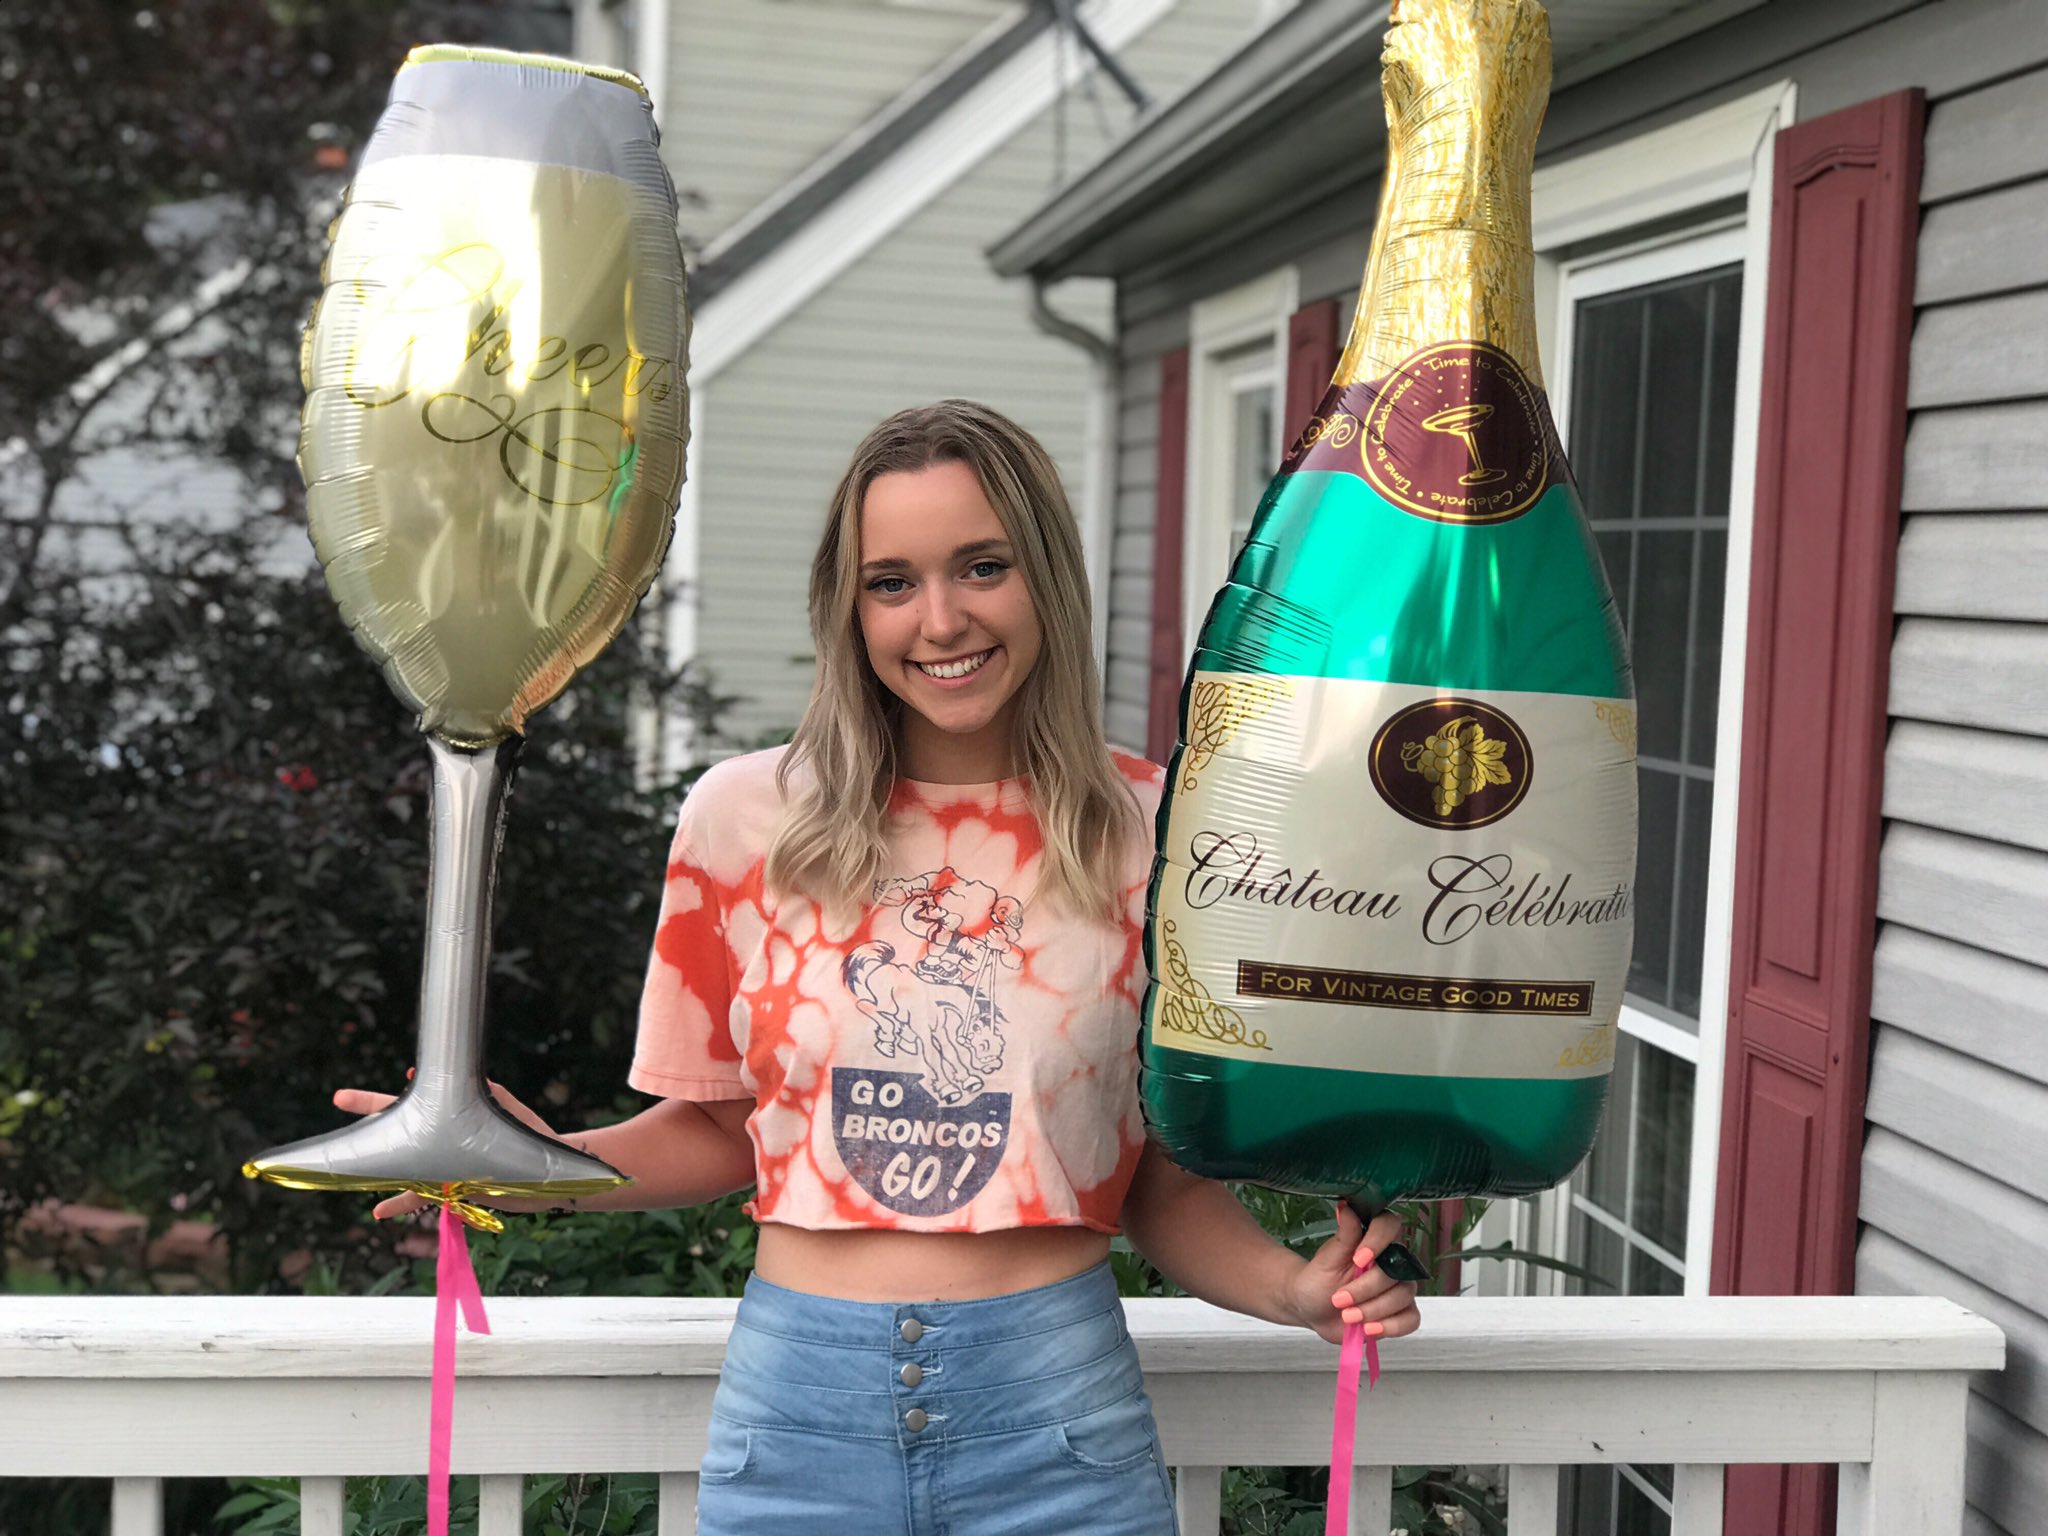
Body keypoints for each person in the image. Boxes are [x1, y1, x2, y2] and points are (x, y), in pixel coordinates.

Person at [337, 400, 1421, 1535]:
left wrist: (1294, 1289)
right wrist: (534, 1164)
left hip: (1056, 1419)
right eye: (891, 582)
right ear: (847, 607)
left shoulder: (1157, 831)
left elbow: (1153, 1175)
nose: (940, 619)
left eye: (983, 566)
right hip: (796, 1422)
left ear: (1047, 575)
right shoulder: (744, 819)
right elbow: (721, 1129)